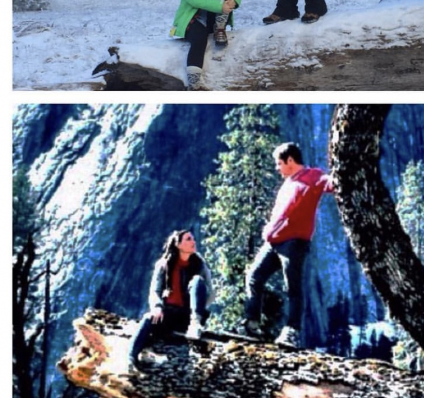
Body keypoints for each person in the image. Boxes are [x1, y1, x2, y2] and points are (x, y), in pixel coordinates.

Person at [238, 142, 333, 348]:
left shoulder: (313, 175)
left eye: (279, 163)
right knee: (254, 277)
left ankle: (292, 331)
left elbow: (330, 183)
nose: (277, 168)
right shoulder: (288, 183)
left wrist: (338, 179)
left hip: (294, 242)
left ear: (290, 160)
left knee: (293, 287)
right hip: (273, 242)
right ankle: (251, 323)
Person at [127, 230, 215, 372]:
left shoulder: (199, 264)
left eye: (193, 239)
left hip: (189, 315)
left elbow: (210, 293)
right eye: (188, 239)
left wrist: (197, 304)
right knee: (148, 318)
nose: (194, 242)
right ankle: (130, 359)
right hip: (168, 314)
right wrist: (157, 307)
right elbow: (155, 291)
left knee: (198, 280)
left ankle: (195, 324)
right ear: (178, 244)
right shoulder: (164, 265)